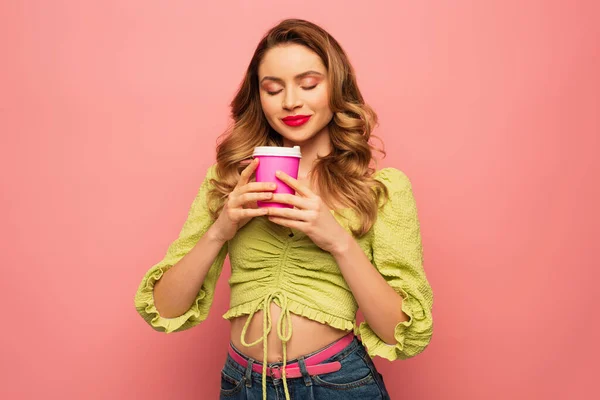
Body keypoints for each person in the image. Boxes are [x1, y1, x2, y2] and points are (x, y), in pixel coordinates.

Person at [134, 18, 434, 400]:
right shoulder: (229, 180)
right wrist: (221, 229)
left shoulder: (379, 189)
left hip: (337, 385)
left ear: (336, 88)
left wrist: (338, 240)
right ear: (259, 98)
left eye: (308, 85)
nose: (291, 101)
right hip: (241, 385)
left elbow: (403, 334)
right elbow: (165, 309)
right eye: (273, 89)